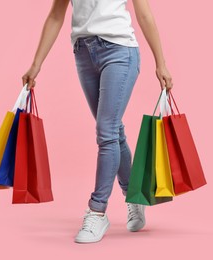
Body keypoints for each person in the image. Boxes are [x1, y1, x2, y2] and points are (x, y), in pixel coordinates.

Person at [21, 0, 173, 243]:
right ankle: (134, 196)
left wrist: (161, 63)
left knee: (107, 131)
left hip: (120, 51)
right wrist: (36, 64)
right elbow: (55, 16)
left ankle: (97, 211)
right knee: (113, 131)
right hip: (84, 54)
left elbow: (144, 14)